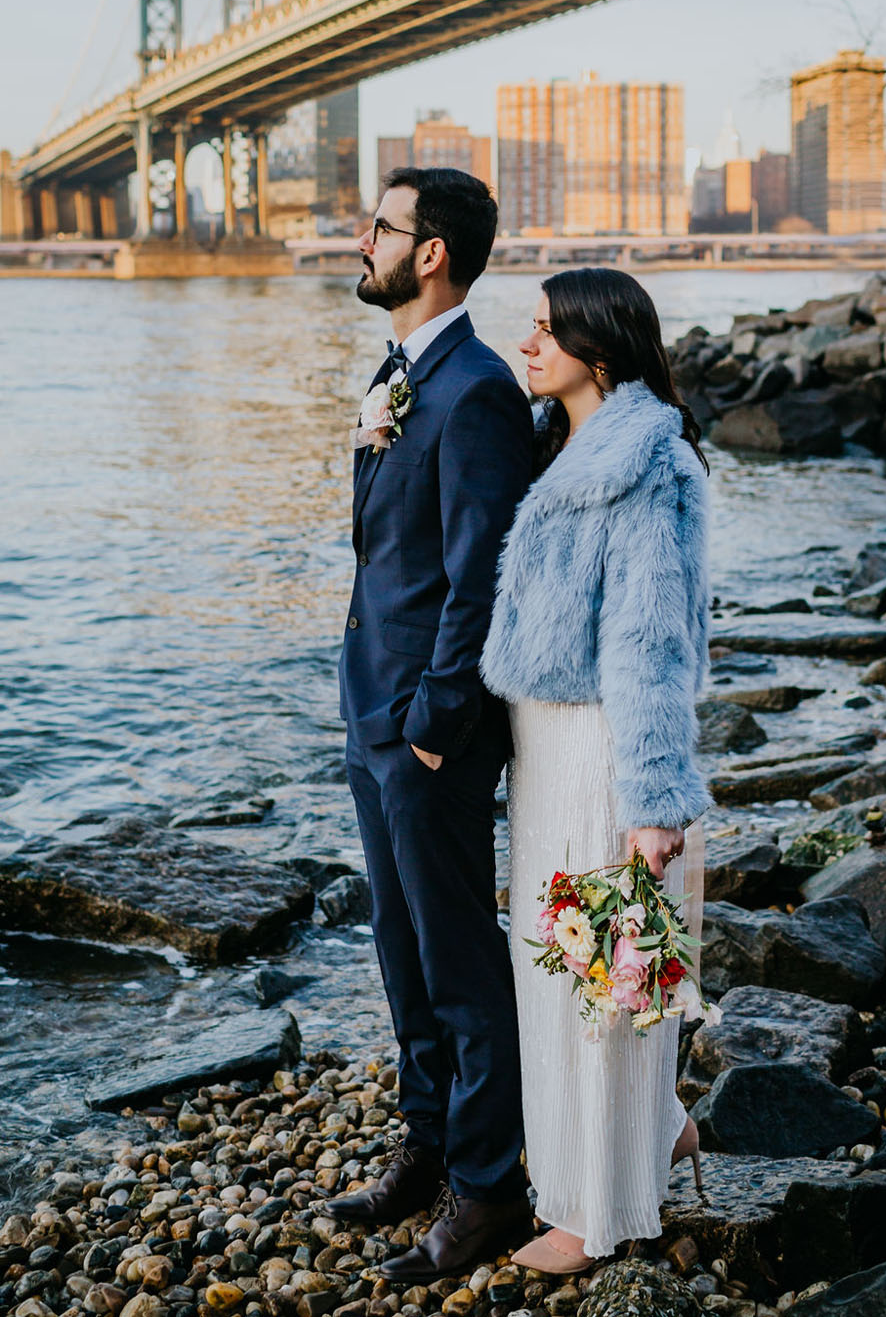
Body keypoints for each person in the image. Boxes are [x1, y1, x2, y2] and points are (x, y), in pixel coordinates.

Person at [480, 266, 712, 1272]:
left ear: (598, 349)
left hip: (604, 751)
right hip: (548, 748)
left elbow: (651, 642)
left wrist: (655, 801)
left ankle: (596, 1214)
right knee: (570, 961)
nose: (525, 346)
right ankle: (654, 1127)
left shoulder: (642, 464)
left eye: (542, 331)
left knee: (594, 978)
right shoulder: (566, 442)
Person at [333, 167, 535, 1280]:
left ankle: (488, 1186)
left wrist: (432, 720)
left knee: (458, 956)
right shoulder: (400, 370)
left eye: (381, 227)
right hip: (372, 704)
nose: (361, 240)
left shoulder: (476, 390)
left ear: (433, 254)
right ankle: (426, 1144)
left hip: (426, 726)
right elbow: (383, 546)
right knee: (397, 946)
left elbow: (482, 575)